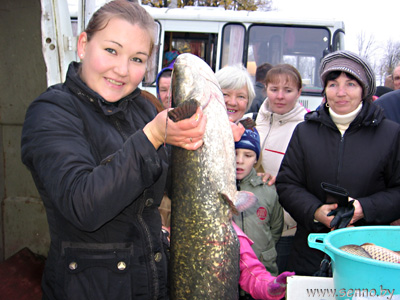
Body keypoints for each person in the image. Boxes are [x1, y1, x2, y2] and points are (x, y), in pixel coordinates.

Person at [20, 1, 206, 299]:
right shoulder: (51, 111)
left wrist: (199, 140)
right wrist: (153, 135)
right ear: (83, 45)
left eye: (137, 58)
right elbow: (84, 205)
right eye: (111, 50)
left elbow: (173, 184)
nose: (122, 70)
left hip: (152, 283)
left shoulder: (142, 107)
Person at [276, 50, 400, 276]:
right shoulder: (305, 131)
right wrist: (315, 211)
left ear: (364, 90)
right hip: (311, 252)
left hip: (368, 255)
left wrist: (364, 209)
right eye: (333, 84)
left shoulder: (390, 134)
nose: (341, 93)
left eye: (351, 84)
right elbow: (287, 184)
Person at [255, 64, 308, 274]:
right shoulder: (253, 121)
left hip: (287, 227)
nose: (280, 96)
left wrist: (282, 179)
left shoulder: (306, 127)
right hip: (252, 223)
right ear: (265, 88)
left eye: (288, 90)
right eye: (274, 89)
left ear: (299, 93)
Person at [233, 127, 283, 279]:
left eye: (248, 155)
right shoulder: (218, 189)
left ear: (256, 159)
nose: (239, 161)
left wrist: (264, 253)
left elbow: (275, 228)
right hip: (229, 275)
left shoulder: (267, 190)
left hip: (263, 272)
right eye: (234, 153)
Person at [215, 64, 256, 141]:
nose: (232, 103)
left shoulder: (252, 137)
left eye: (241, 96)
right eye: (225, 94)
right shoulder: (194, 131)